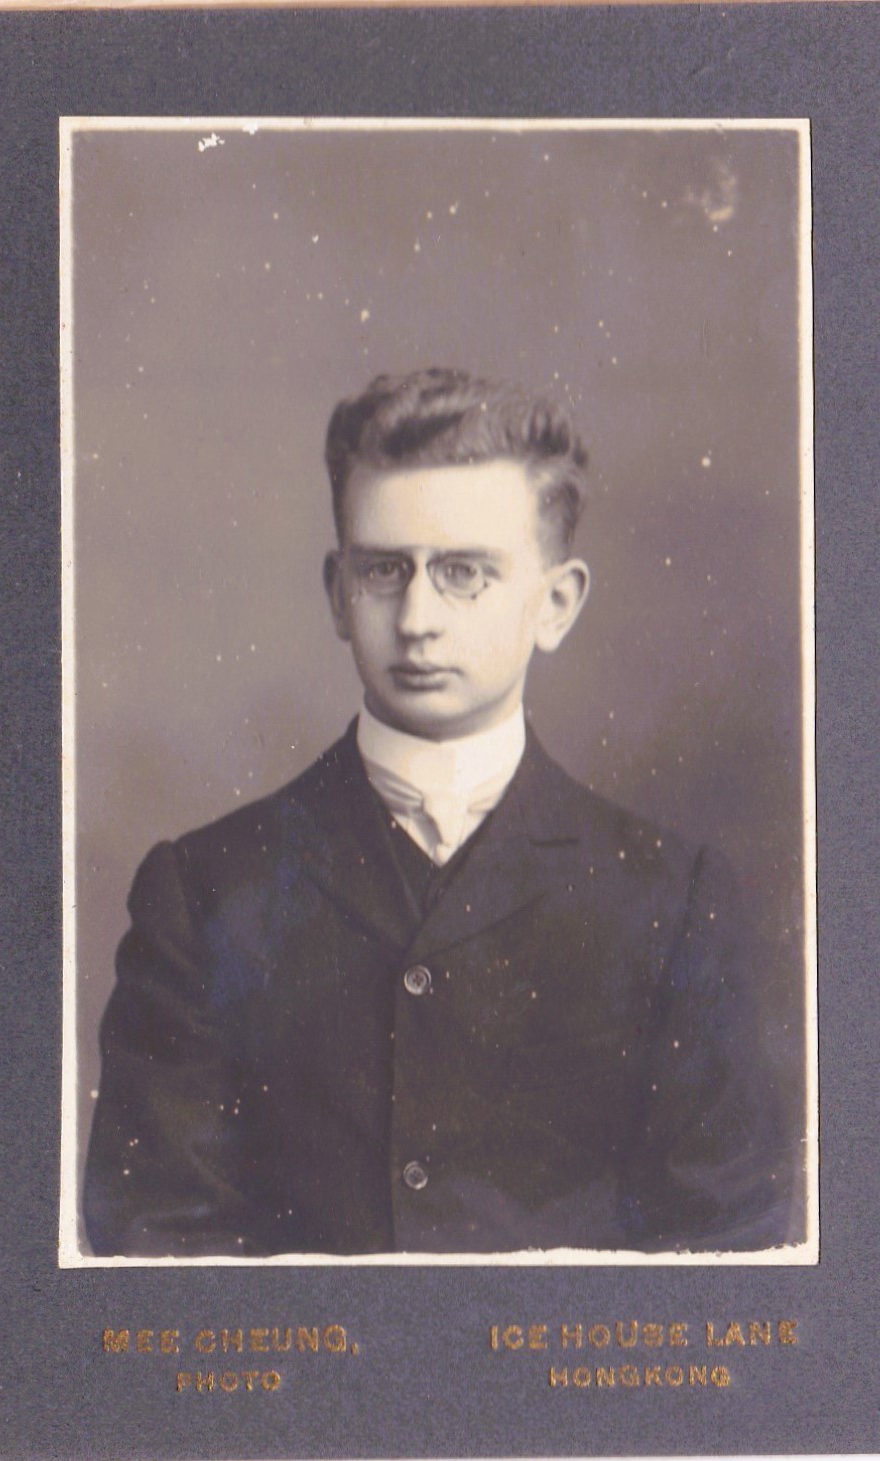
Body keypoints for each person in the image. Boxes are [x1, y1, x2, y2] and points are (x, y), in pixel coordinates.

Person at [83, 367, 794, 1257]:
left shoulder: (670, 897)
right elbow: (154, 1242)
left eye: (464, 573)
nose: (417, 617)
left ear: (556, 604)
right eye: (385, 570)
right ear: (338, 593)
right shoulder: (203, 890)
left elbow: (727, 1246)